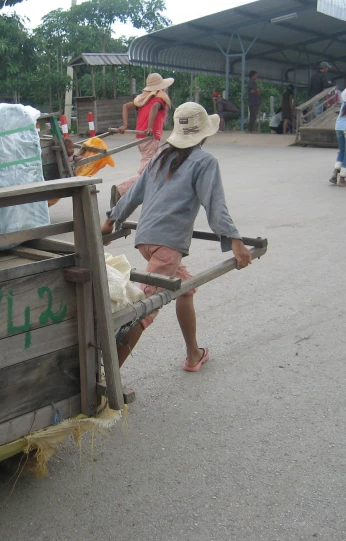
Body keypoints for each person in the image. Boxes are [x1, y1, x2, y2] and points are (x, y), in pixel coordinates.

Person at [101, 102, 252, 371]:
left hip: (148, 240)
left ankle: (193, 354)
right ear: (204, 134)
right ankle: (106, 379)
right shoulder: (204, 161)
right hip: (167, 246)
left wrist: (112, 219)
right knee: (142, 311)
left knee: (185, 288)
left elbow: (134, 193)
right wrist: (236, 243)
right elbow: (215, 207)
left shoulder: (160, 156)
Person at [110, 72, 174, 206]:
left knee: (155, 166)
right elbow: (155, 108)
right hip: (150, 137)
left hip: (141, 137)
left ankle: (152, 196)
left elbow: (125, 106)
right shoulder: (159, 98)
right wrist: (150, 127)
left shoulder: (143, 98)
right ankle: (121, 189)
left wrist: (125, 125)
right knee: (149, 171)